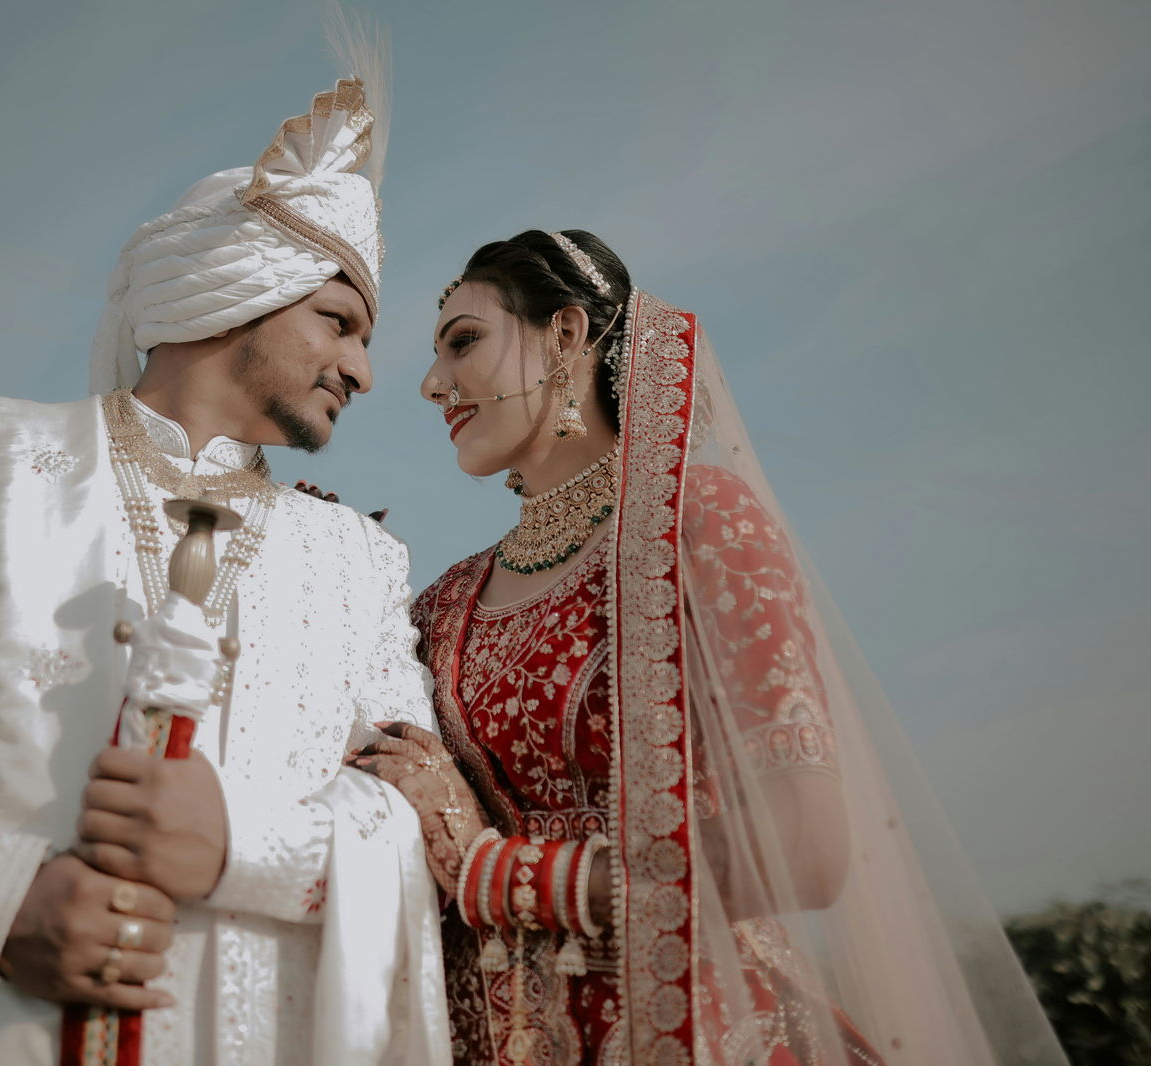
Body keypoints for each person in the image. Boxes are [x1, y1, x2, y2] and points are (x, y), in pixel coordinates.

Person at [0, 63, 450, 1066]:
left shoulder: (359, 560)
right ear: (236, 289)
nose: (363, 371)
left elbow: (406, 811)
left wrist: (234, 845)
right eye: (336, 322)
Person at [350, 229, 1068, 1065]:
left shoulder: (697, 526)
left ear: (567, 334)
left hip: (701, 1029)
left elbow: (806, 850)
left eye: (463, 342)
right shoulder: (445, 602)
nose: (433, 384)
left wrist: (494, 871)